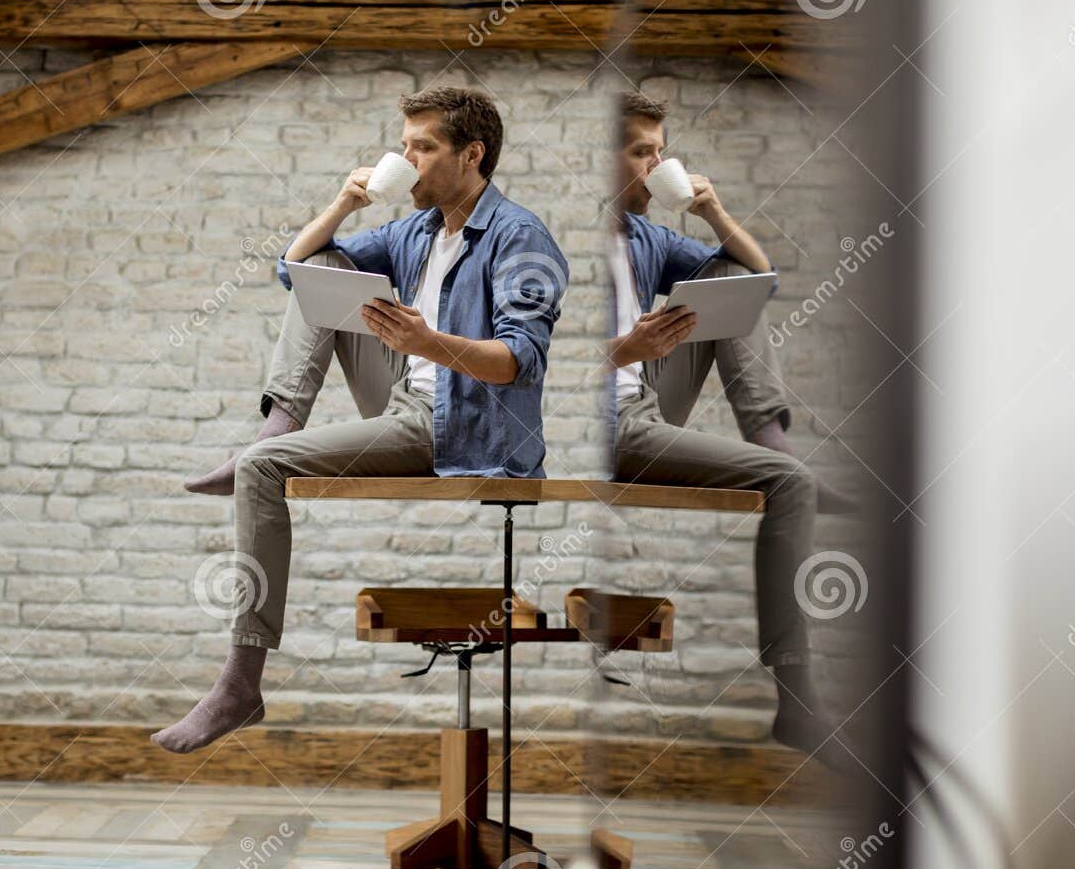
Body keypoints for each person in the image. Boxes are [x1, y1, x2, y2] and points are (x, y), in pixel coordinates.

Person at [155, 87, 567, 753]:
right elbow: (293, 270)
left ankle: (239, 684)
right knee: (323, 267)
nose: (406, 158)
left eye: (423, 147)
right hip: (408, 396)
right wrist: (344, 204)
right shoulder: (419, 229)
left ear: (472, 155)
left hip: (464, 424)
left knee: (261, 472)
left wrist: (426, 341)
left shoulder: (521, 235)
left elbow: (519, 361)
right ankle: (276, 427)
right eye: (402, 145)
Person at [606, 92, 854, 761]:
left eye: (662, 149)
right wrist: (629, 348)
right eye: (641, 152)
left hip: (644, 401)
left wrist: (711, 210)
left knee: (725, 277)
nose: (658, 162)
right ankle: (797, 698)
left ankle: (771, 441)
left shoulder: (647, 240)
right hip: (600, 425)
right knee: (792, 487)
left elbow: (760, 279)